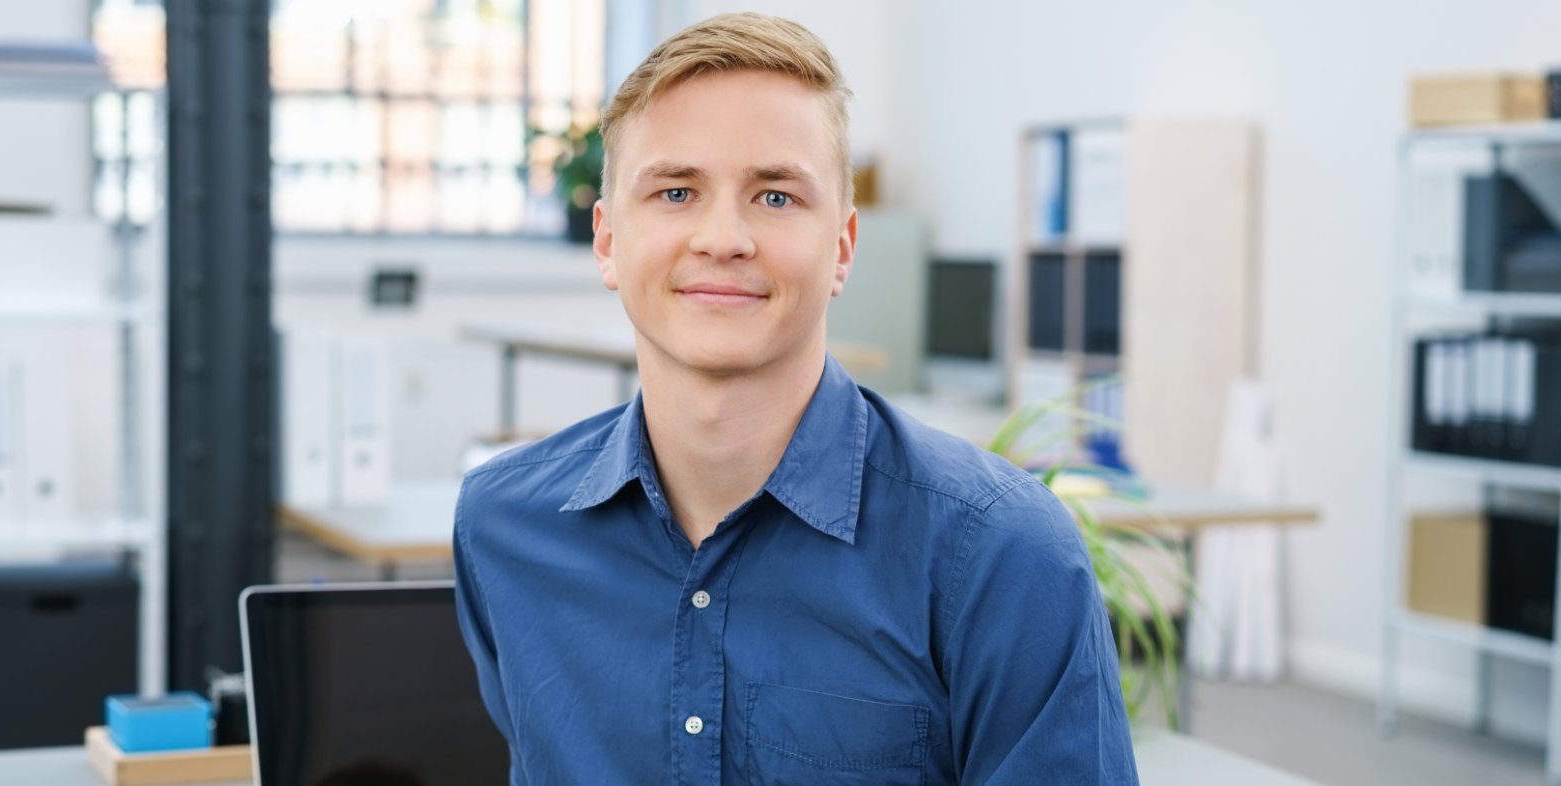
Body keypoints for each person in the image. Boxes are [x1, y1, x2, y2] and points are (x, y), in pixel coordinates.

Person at [453, 12, 1138, 784]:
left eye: (775, 198)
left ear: (841, 249)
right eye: (676, 191)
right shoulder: (502, 527)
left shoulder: (1002, 553)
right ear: (608, 240)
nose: (723, 237)